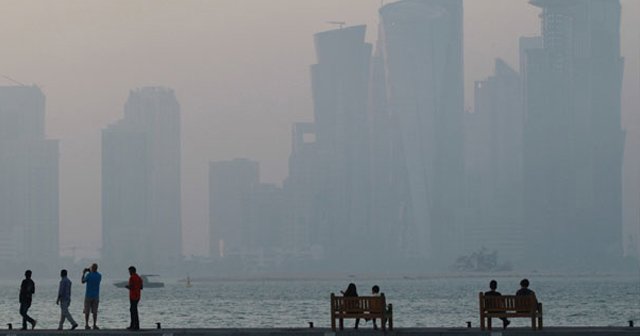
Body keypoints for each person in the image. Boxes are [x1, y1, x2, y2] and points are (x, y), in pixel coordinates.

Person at [81, 263, 102, 330]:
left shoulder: (89, 275)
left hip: (88, 295)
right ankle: (94, 324)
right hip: (96, 295)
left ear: (92, 268)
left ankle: (87, 324)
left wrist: (83, 273)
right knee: (95, 312)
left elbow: (83, 281)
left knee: (87, 311)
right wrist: (90, 271)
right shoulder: (99, 276)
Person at [125, 266, 143, 330]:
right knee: (134, 310)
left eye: (129, 271)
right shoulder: (139, 278)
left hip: (133, 296)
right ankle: (135, 325)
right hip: (138, 296)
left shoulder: (132, 278)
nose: (129, 272)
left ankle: (134, 326)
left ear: (132, 271)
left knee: (133, 311)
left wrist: (127, 287)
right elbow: (141, 287)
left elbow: (131, 287)